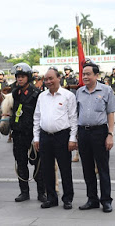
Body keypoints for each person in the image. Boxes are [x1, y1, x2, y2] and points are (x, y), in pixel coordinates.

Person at [76, 62, 115, 213]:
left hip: (100, 132)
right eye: (83, 74)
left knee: (102, 168)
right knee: (87, 168)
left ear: (96, 75)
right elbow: (76, 114)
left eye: (88, 74)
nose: (85, 77)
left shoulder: (106, 90)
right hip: (83, 133)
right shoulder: (79, 92)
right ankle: (92, 199)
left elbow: (111, 113)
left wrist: (110, 135)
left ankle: (106, 200)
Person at [33, 67, 77, 209]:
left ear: (59, 78)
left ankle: (67, 199)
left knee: (65, 169)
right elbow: (37, 117)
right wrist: (36, 138)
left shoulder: (68, 96)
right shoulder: (41, 96)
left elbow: (73, 119)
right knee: (47, 169)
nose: (48, 81)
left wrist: (72, 138)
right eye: (46, 79)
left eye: (51, 78)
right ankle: (51, 198)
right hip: (45, 137)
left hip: (62, 137)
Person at [10, 63, 46, 203]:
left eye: (22, 77)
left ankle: (41, 192)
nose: (19, 79)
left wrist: (37, 135)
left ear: (28, 77)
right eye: (18, 77)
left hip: (32, 135)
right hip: (18, 134)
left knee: (38, 165)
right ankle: (24, 192)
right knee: (21, 164)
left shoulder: (36, 94)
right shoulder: (15, 93)